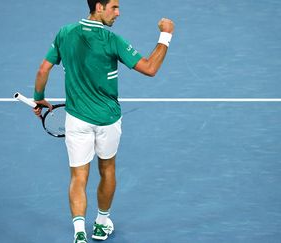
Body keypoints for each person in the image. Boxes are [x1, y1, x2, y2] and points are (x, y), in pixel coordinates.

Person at [32, 0, 174, 242]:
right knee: (107, 169)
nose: (118, 13)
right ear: (99, 6)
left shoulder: (65, 33)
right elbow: (150, 69)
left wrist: (38, 98)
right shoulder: (112, 40)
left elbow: (43, 70)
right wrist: (166, 35)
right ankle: (101, 223)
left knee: (78, 176)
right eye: (114, 7)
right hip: (108, 120)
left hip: (76, 120)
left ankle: (79, 234)